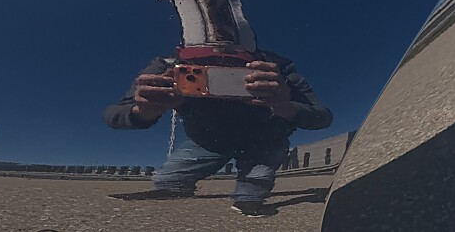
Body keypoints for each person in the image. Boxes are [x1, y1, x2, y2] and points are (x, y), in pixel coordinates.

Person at [104, 53, 331, 217]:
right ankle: (179, 184)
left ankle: (250, 191)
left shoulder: (275, 67)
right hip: (207, 141)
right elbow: (114, 114)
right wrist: (143, 111)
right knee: (168, 182)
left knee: (251, 194)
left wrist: (284, 106)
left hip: (265, 140)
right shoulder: (171, 66)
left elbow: (322, 116)